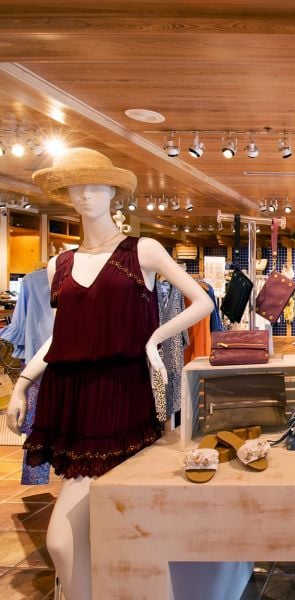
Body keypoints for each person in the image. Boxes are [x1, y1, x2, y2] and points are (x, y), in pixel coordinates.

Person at [5, 148, 214, 600]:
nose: (85, 194)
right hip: (70, 396)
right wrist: (23, 384)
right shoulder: (57, 264)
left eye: (95, 184)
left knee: (69, 534)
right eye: (76, 186)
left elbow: (202, 301)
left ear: (114, 192)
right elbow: (58, 337)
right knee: (91, 524)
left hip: (121, 393)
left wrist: (154, 338)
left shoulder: (142, 251)